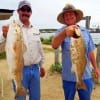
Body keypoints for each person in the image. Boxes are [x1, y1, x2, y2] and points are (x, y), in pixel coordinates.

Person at [52, 3, 100, 100]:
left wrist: (95, 68)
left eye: (71, 14)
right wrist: (64, 33)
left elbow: (90, 51)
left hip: (85, 75)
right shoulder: (60, 31)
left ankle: (80, 82)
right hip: (68, 77)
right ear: (64, 18)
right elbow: (54, 45)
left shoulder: (85, 31)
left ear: (76, 16)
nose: (68, 16)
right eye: (66, 15)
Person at [1, 0, 45, 100]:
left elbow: (40, 49)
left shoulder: (35, 29)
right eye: (23, 9)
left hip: (35, 69)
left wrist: (42, 65)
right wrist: (4, 35)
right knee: (20, 97)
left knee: (36, 97)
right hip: (19, 69)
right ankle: (19, 89)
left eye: (28, 10)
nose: (25, 12)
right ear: (18, 11)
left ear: (31, 13)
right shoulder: (11, 26)